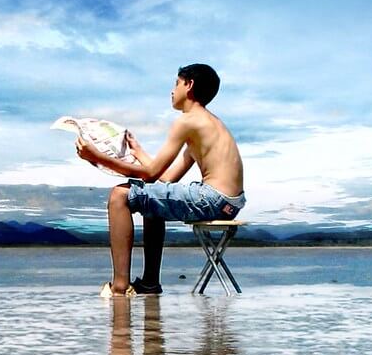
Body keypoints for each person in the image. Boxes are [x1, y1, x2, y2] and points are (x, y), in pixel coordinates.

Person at [76, 63, 246, 297]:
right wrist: (138, 152)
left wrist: (97, 157)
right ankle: (149, 283)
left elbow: (151, 174)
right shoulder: (208, 123)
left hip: (212, 198)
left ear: (189, 85)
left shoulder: (187, 121)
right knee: (153, 199)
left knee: (119, 195)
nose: (172, 90)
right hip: (229, 203)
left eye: (176, 83)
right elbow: (165, 180)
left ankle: (119, 286)